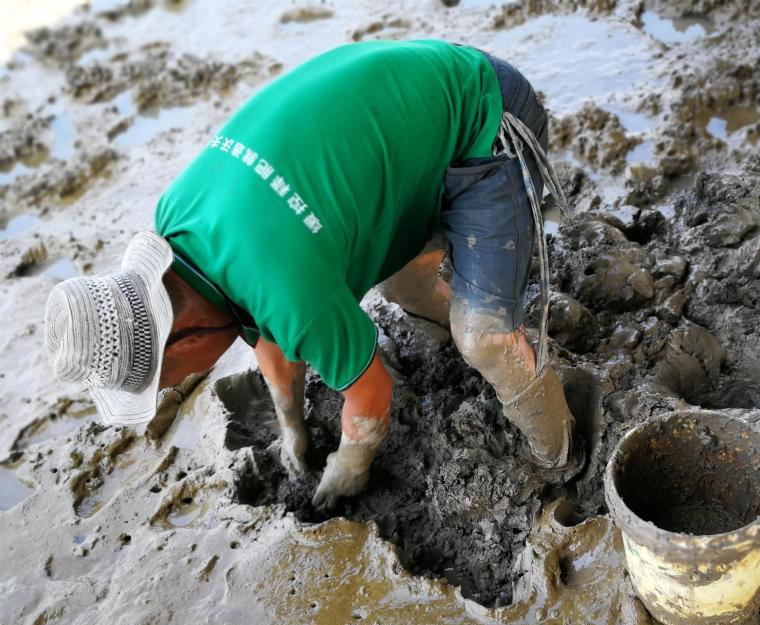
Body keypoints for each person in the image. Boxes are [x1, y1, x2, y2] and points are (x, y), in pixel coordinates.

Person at [43, 39, 578, 513]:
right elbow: (265, 327)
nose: (183, 381)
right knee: (402, 285)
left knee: (483, 339)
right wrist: (291, 428)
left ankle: (561, 457)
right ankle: (468, 311)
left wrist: (349, 468)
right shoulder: (178, 225)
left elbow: (371, 397)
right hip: (409, 110)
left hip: (487, 112)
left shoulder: (284, 287)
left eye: (174, 377)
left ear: (179, 339)